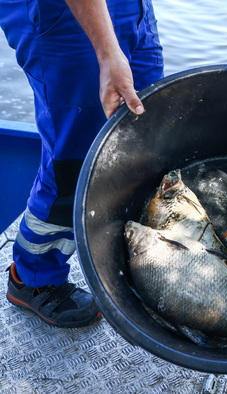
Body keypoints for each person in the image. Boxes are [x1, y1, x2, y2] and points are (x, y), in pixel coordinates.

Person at [0, 0, 164, 327]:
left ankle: (133, 258)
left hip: (131, 10)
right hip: (62, 16)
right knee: (74, 165)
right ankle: (34, 277)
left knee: (143, 135)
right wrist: (106, 52)